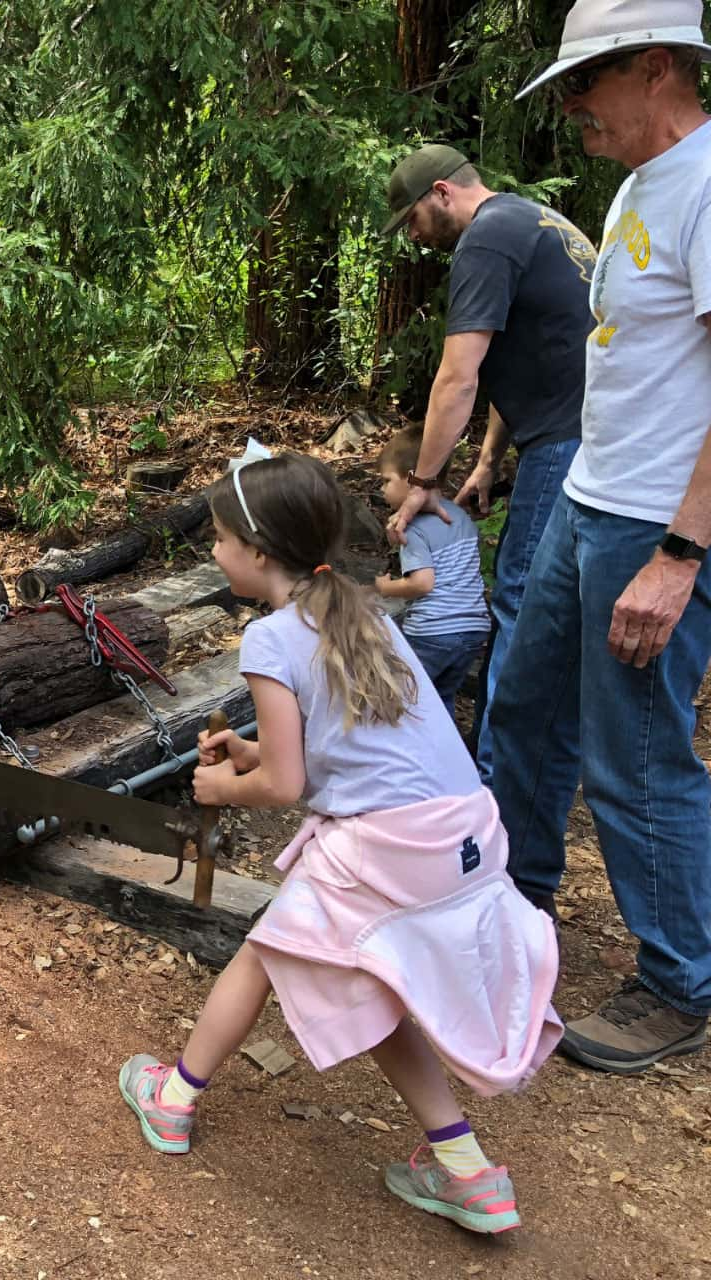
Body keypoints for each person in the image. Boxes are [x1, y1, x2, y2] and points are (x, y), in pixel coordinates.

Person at [117, 449, 560, 1236]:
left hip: (386, 849)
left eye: (219, 538)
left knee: (261, 955)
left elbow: (285, 788)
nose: (213, 552)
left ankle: (174, 1097)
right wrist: (259, 759)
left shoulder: (270, 640)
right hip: (461, 835)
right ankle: (467, 1174)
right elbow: (356, 749)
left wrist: (228, 786)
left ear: (258, 553)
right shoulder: (362, 611)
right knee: (369, 980)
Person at [488, 0, 711, 1073]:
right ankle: (508, 892)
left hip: (653, 524)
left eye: (587, 84)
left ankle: (676, 982)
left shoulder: (709, 185)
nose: (572, 108)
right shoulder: (635, 186)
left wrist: (680, 555)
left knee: (632, 753)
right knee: (524, 709)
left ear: (658, 68)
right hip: (587, 495)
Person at [380, 143, 591, 784]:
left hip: (569, 440)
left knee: (522, 602)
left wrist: (423, 483)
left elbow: (459, 377)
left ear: (442, 192)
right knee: (540, 600)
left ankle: (497, 779)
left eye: (412, 219)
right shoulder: (531, 220)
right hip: (577, 431)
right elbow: (522, 357)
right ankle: (513, 760)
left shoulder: (486, 239)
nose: (415, 238)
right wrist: (489, 460)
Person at [373, 426, 491, 708]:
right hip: (472, 628)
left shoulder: (412, 527)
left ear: (413, 479)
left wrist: (384, 587)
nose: (381, 489)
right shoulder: (459, 515)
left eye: (386, 481)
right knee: (440, 700)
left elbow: (422, 583)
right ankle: (447, 751)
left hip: (433, 631)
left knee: (403, 701)